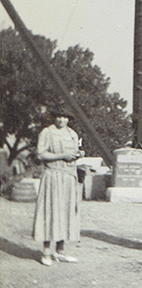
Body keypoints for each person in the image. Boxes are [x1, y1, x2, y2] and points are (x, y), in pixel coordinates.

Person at [32, 109, 83, 266]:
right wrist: (62, 156)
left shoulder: (73, 134)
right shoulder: (47, 132)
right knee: (51, 211)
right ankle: (46, 252)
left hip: (68, 177)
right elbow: (40, 155)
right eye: (58, 116)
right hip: (53, 175)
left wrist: (79, 154)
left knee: (66, 212)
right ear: (54, 118)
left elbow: (76, 151)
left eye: (64, 117)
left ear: (68, 119)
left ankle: (60, 251)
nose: (61, 120)